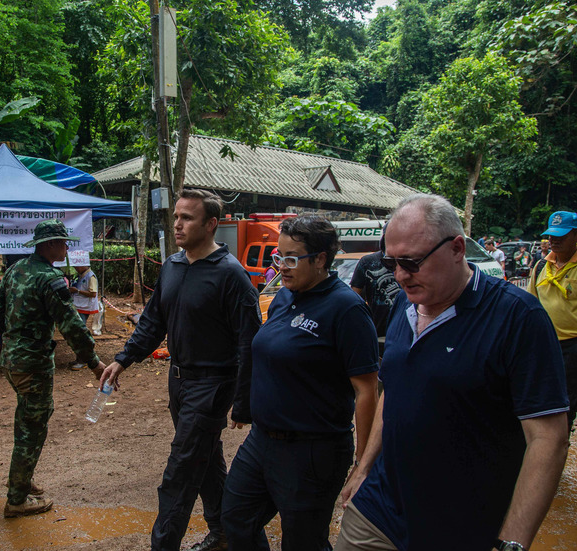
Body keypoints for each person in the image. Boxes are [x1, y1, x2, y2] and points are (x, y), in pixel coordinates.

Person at [336, 194, 569, 551]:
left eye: (411, 263)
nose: (399, 275)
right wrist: (364, 466)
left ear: (458, 248)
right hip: (378, 512)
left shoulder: (517, 317)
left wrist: (512, 542)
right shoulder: (405, 303)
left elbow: (548, 438)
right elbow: (394, 389)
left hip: (462, 526)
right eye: (392, 262)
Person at [99, 189, 261, 551]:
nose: (177, 224)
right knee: (206, 461)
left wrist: (244, 400)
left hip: (214, 385)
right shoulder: (173, 266)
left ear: (211, 224)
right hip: (179, 381)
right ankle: (224, 534)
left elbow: (249, 342)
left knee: (181, 471)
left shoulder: (232, 276)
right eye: (176, 217)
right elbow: (153, 322)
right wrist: (123, 358)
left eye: (187, 218)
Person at [222, 215, 379, 551]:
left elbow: (366, 389)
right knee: (235, 520)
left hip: (312, 451)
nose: (282, 266)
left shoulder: (347, 309)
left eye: (291, 259)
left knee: (303, 542)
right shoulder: (283, 298)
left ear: (321, 259)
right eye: (279, 257)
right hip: (262, 441)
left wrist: (362, 463)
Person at [0, 219, 107, 518]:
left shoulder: (16, 269)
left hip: (11, 359)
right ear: (50, 245)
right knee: (33, 426)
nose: (67, 247)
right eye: (64, 242)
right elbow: (71, 326)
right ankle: (17, 499)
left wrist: (13, 337)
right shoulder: (50, 279)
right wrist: (93, 363)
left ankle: (22, 479)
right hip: (33, 364)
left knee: (25, 418)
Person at [527, 211, 577, 435]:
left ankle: (556, 456)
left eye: (561, 236)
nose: (554, 240)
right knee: (539, 403)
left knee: (565, 408)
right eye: (551, 236)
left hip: (576, 348)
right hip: (544, 346)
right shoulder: (540, 267)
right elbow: (530, 310)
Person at [350, 236, 401, 355]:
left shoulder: (407, 261)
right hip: (378, 331)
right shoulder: (368, 262)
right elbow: (354, 298)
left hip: (402, 329)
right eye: (388, 259)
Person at [67, 257, 100, 370]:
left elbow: (93, 293)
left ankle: (83, 359)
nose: (75, 268)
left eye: (76, 266)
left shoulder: (90, 276)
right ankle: (80, 358)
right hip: (79, 306)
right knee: (77, 331)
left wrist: (77, 291)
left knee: (80, 333)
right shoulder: (82, 275)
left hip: (84, 306)